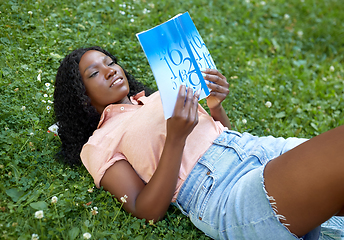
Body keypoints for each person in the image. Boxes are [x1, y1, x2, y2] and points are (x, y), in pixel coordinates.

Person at [54, 46, 344, 240]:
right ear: (82, 97)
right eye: (94, 73)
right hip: (222, 193)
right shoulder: (98, 142)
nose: (110, 70)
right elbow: (146, 209)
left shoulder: (159, 96)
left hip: (255, 149)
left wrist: (215, 107)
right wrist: (175, 139)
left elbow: (220, 135)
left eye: (110, 62)